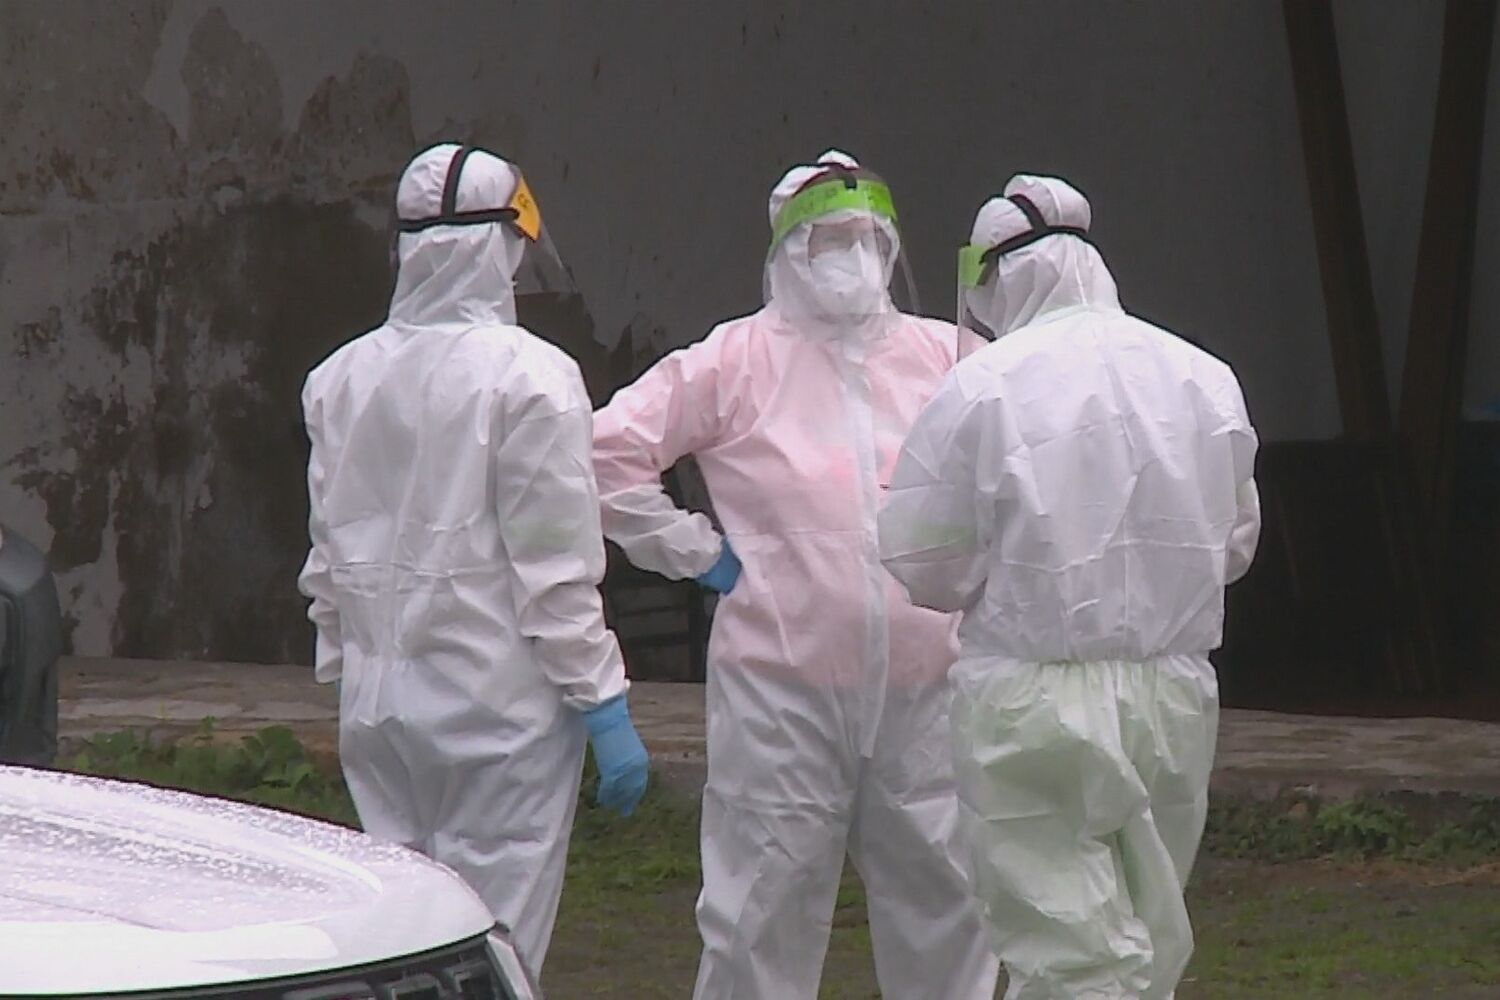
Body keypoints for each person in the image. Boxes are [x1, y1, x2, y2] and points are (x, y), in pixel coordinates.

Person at [592, 150, 999, 999]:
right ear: (788, 251)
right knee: (760, 913)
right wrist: (693, 551)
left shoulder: (946, 356)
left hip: (930, 687)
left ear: (890, 246)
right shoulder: (736, 360)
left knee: (951, 906)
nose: (849, 255)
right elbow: (604, 454)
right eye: (827, 239)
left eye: (864, 237)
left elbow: (1016, 466)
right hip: (783, 694)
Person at [878, 174, 1261, 999]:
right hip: (1172, 698)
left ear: (994, 275)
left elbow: (921, 558)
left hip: (1032, 703)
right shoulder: (1203, 377)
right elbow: (1234, 543)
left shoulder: (984, 384)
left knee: (1068, 952)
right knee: (1147, 938)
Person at [298, 143, 649, 976]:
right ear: (502, 244)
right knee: (495, 950)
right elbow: (554, 570)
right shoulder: (533, 378)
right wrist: (601, 700)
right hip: (498, 723)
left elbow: (329, 556)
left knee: (400, 956)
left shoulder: (339, 379)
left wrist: (346, 666)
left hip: (380, 716)